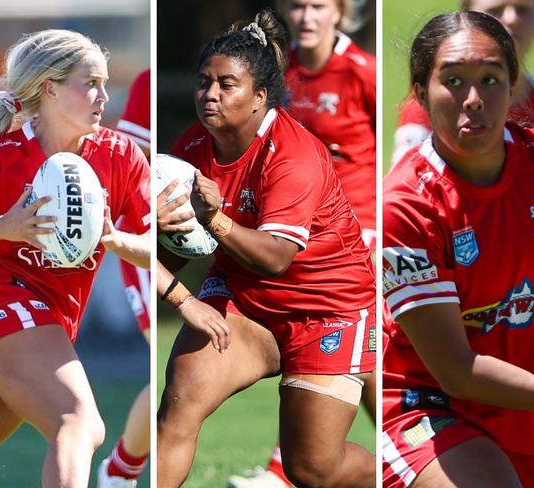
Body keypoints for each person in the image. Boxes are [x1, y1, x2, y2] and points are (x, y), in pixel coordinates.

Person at [157, 9, 375, 488]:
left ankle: (394, 472)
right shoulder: (191, 148)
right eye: (203, 82)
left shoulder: (293, 153)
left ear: (260, 97)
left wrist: (213, 219)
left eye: (226, 84)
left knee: (312, 470)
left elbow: (277, 257)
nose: (210, 94)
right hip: (244, 300)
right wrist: (153, 238)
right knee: (179, 405)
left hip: (328, 310)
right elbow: (166, 257)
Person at [382, 10, 534, 488]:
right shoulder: (406, 205)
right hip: (424, 407)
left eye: (491, 79)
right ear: (420, 92)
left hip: (522, 415)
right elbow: (457, 371)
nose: (473, 99)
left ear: (514, 86)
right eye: (453, 80)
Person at [0, 29, 150, 488]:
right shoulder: (3, 153)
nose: (102, 96)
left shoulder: (119, 155)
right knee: (79, 422)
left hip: (49, 324)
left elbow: (156, 249)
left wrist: (115, 241)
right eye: (90, 83)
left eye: (105, 83)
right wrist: (1, 227)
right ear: (50, 88)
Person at [227, 1, 376, 486]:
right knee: (315, 343)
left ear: (341, 14)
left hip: (354, 241)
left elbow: (399, 150)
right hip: (289, 233)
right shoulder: (275, 70)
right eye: (298, 5)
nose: (307, 16)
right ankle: (400, 457)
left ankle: (404, 458)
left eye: (319, 6)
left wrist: (377, 230)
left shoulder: (362, 74)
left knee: (367, 353)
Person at [97, 68, 151, 488]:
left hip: (214, 232)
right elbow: (132, 165)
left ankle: (120, 470)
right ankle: (121, 471)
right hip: (146, 236)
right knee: (169, 370)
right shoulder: (149, 83)